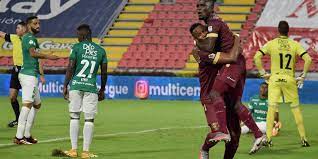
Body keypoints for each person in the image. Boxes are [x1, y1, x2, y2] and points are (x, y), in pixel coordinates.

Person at [195, 0, 266, 157]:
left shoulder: (214, 26)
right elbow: (232, 56)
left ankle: (257, 135)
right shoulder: (203, 51)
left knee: (234, 137)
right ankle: (205, 149)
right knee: (218, 131)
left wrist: (233, 40)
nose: (202, 35)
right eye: (198, 35)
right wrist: (236, 39)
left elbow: (233, 55)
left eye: (203, 32)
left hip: (222, 93)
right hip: (209, 98)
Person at [254, 20, 311, 147]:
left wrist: (263, 73)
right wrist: (303, 75)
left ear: (278, 30)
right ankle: (304, 139)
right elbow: (308, 59)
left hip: (275, 79)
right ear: (288, 30)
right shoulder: (294, 44)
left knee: (271, 109)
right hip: (289, 79)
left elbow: (256, 57)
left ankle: (268, 139)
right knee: (296, 109)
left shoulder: (272, 43)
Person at [62, 24, 108, 158]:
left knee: (74, 116)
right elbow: (104, 73)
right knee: (89, 119)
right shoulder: (101, 50)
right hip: (91, 87)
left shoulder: (76, 48)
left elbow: (70, 67)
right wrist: (102, 89)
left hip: (76, 85)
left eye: (77, 35)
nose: (76, 38)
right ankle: (86, 152)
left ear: (83, 35)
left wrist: (65, 85)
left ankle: (73, 150)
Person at [14, 16, 59, 145]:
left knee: (37, 104)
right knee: (27, 104)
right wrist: (48, 56)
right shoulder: (28, 38)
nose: (38, 25)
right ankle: (19, 137)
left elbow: (36, 58)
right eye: (35, 23)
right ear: (29, 25)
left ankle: (27, 135)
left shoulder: (33, 39)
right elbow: (33, 54)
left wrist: (41, 74)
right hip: (28, 76)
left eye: (39, 23)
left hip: (31, 75)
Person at [0, 22, 46, 128]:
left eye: (18, 27)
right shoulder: (14, 38)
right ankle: (18, 119)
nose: (16, 29)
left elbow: (38, 59)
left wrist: (42, 75)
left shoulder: (30, 40)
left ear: (24, 29)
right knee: (12, 97)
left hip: (27, 71)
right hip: (16, 71)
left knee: (31, 101)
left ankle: (27, 122)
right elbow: (2, 34)